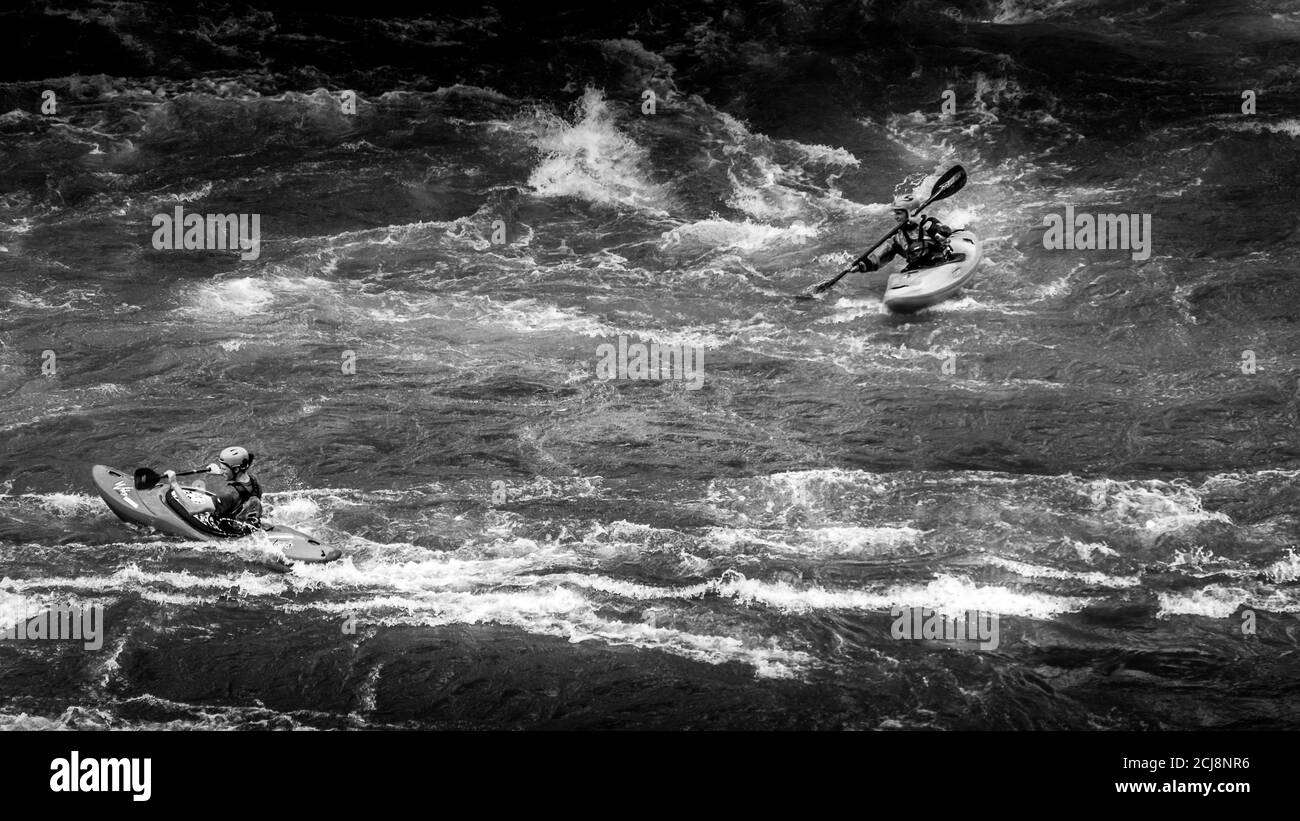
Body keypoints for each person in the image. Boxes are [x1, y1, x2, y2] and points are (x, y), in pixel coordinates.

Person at [164, 446, 263, 531]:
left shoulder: (228, 493)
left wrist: (174, 484)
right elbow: (241, 487)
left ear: (236, 469)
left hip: (228, 530)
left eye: (224, 469)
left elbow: (192, 509)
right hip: (245, 525)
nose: (222, 471)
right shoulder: (254, 481)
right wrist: (220, 471)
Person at [852, 194, 955, 273]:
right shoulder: (898, 236)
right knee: (899, 247)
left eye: (899, 213)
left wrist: (919, 221)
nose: (895, 217)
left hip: (941, 262)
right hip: (918, 269)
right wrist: (861, 266)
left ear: (911, 212)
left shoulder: (928, 223)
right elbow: (881, 256)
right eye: (895, 213)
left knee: (918, 246)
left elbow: (945, 233)